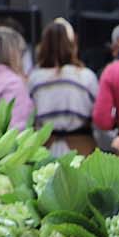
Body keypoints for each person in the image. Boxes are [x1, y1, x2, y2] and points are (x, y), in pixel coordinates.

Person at [28, 18, 99, 156]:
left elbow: (28, 119)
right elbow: (97, 117)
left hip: (43, 149)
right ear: (72, 45)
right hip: (81, 148)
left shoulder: (34, 79)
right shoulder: (86, 77)